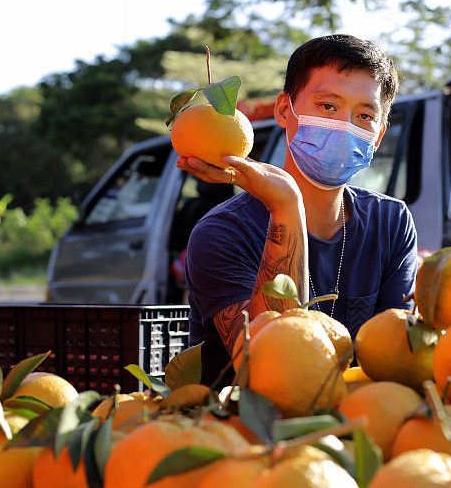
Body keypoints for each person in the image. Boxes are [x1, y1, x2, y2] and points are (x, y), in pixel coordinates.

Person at [177, 34, 418, 387]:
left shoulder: (391, 223)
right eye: (327, 106)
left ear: (378, 135)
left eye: (364, 115)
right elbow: (267, 365)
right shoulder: (222, 232)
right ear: (283, 110)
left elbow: (395, 361)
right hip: (240, 431)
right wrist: (285, 206)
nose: (344, 125)